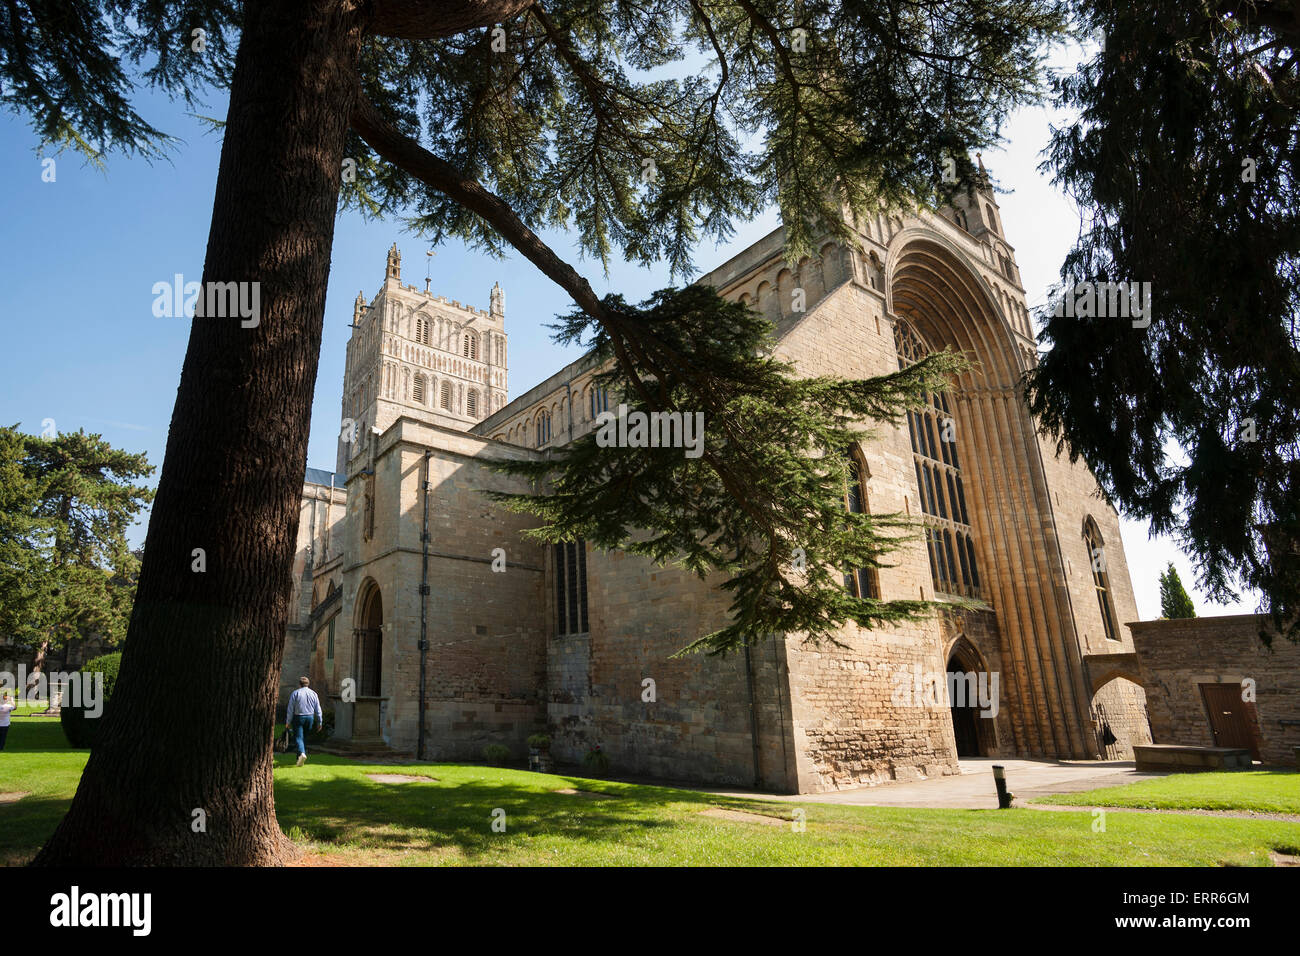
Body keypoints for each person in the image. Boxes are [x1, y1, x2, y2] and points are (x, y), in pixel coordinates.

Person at [285, 677, 322, 766]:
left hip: (298, 717)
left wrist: (288, 721)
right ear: (308, 684)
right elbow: (318, 709)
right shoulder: (313, 693)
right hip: (310, 718)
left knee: (298, 738)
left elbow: (290, 709)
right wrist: (320, 721)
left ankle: (302, 753)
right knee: (303, 738)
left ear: (299, 684)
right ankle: (299, 760)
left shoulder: (295, 693)